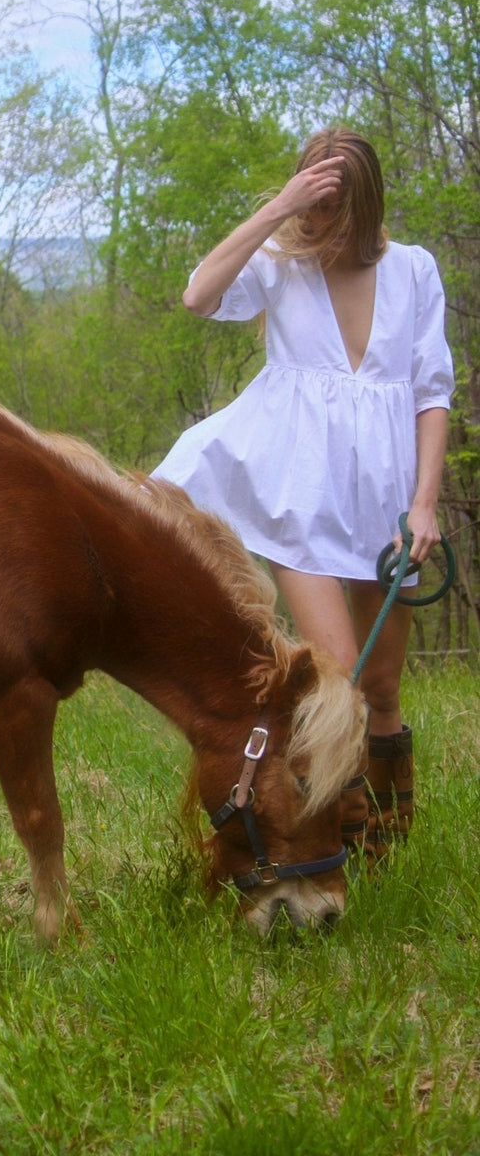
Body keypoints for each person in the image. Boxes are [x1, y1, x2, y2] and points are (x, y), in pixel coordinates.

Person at [153, 127, 454, 859]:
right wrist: (275, 209)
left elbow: (431, 394)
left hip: (386, 507)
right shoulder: (279, 265)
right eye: (306, 210)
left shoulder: (414, 272)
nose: (312, 228)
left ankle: (390, 844)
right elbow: (198, 294)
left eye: (327, 215)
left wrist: (423, 503)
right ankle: (333, 843)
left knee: (381, 687)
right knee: (338, 680)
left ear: (362, 207)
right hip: (302, 506)